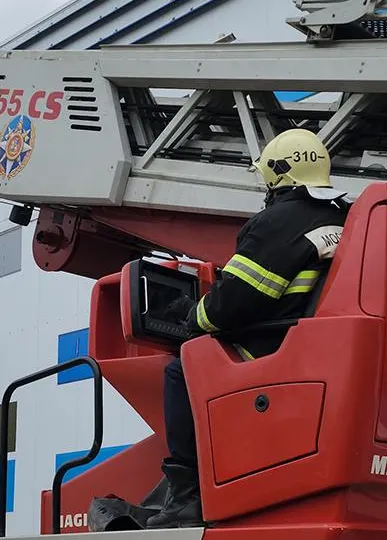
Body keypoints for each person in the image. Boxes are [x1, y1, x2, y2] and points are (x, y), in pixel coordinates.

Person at [145, 128, 351, 529]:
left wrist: (192, 316)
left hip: (273, 349)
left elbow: (230, 306)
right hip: (317, 350)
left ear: (279, 174)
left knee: (182, 369)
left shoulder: (276, 222)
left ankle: (188, 495)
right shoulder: (346, 217)